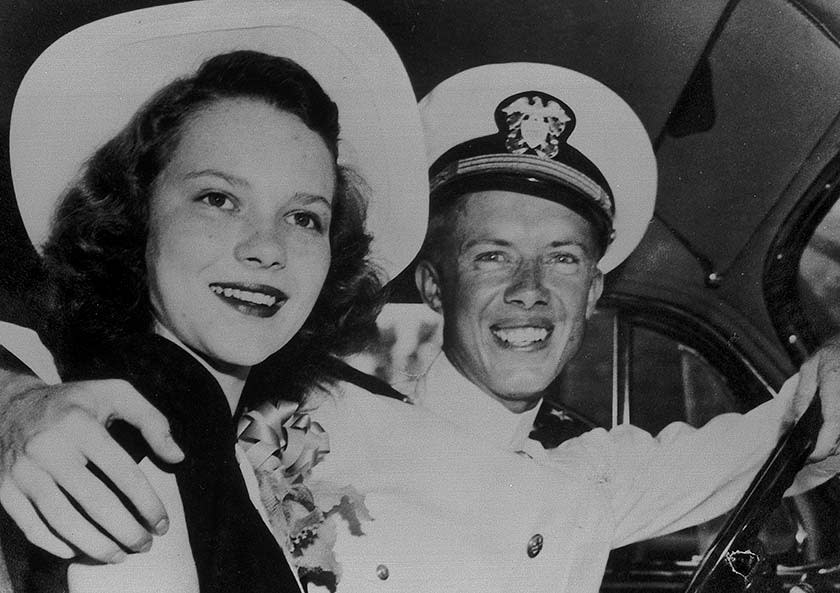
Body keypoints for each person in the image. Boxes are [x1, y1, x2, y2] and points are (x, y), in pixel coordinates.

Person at [2, 36, 840, 593]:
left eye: (563, 259)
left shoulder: (598, 475)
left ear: (594, 294)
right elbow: (58, 380)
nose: (529, 291)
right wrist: (12, 402)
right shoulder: (274, 409)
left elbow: (789, 431)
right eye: (490, 256)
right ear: (434, 290)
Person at [0, 1, 429, 591]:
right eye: (219, 199)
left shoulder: (233, 444)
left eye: (304, 217)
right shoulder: (114, 449)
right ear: (136, 217)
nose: (266, 247)